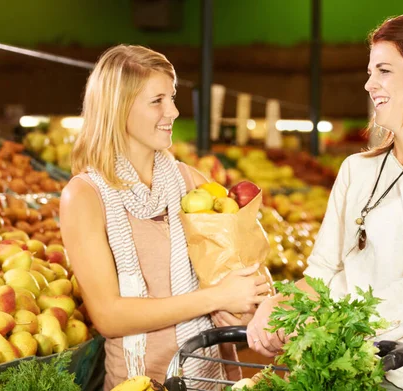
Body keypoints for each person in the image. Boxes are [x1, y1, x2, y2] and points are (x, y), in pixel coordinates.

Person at [245, 13, 403, 391]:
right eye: (370, 71)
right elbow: (323, 272)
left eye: (384, 70)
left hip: (401, 370)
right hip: (329, 365)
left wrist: (336, 322)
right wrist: (280, 305)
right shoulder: (357, 168)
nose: (369, 83)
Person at [59, 45, 269, 391]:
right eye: (157, 101)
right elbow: (109, 316)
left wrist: (243, 306)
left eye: (171, 97)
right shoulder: (84, 196)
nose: (172, 111)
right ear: (118, 107)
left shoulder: (193, 183)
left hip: (211, 376)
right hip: (140, 381)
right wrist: (215, 298)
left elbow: (245, 276)